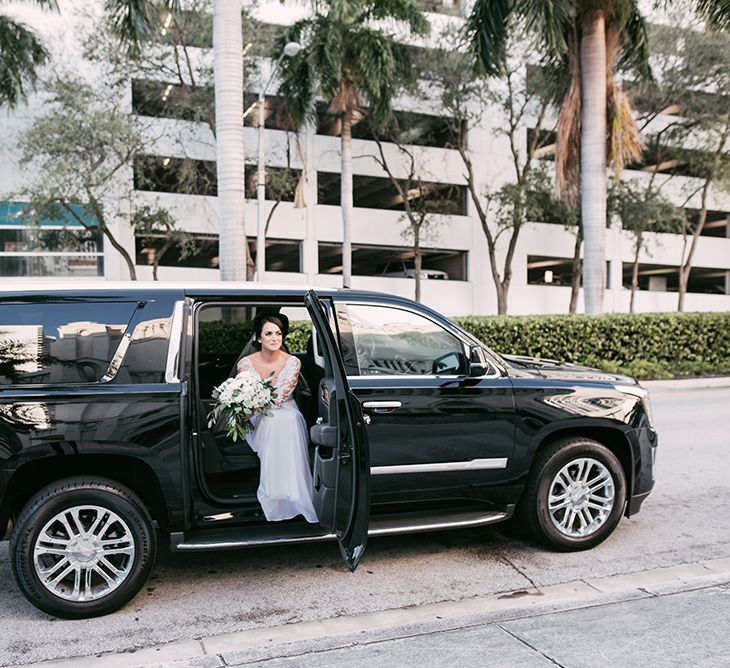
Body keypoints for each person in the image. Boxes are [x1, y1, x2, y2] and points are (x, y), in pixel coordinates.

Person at [237, 314, 318, 523]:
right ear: (258, 337)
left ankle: (292, 493)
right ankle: (274, 491)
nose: (275, 338)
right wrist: (247, 412)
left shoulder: (292, 362)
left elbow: (281, 396)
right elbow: (245, 394)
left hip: (285, 409)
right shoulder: (246, 363)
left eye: (279, 333)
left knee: (285, 420)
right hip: (256, 414)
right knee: (273, 421)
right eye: (269, 333)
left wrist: (255, 405)